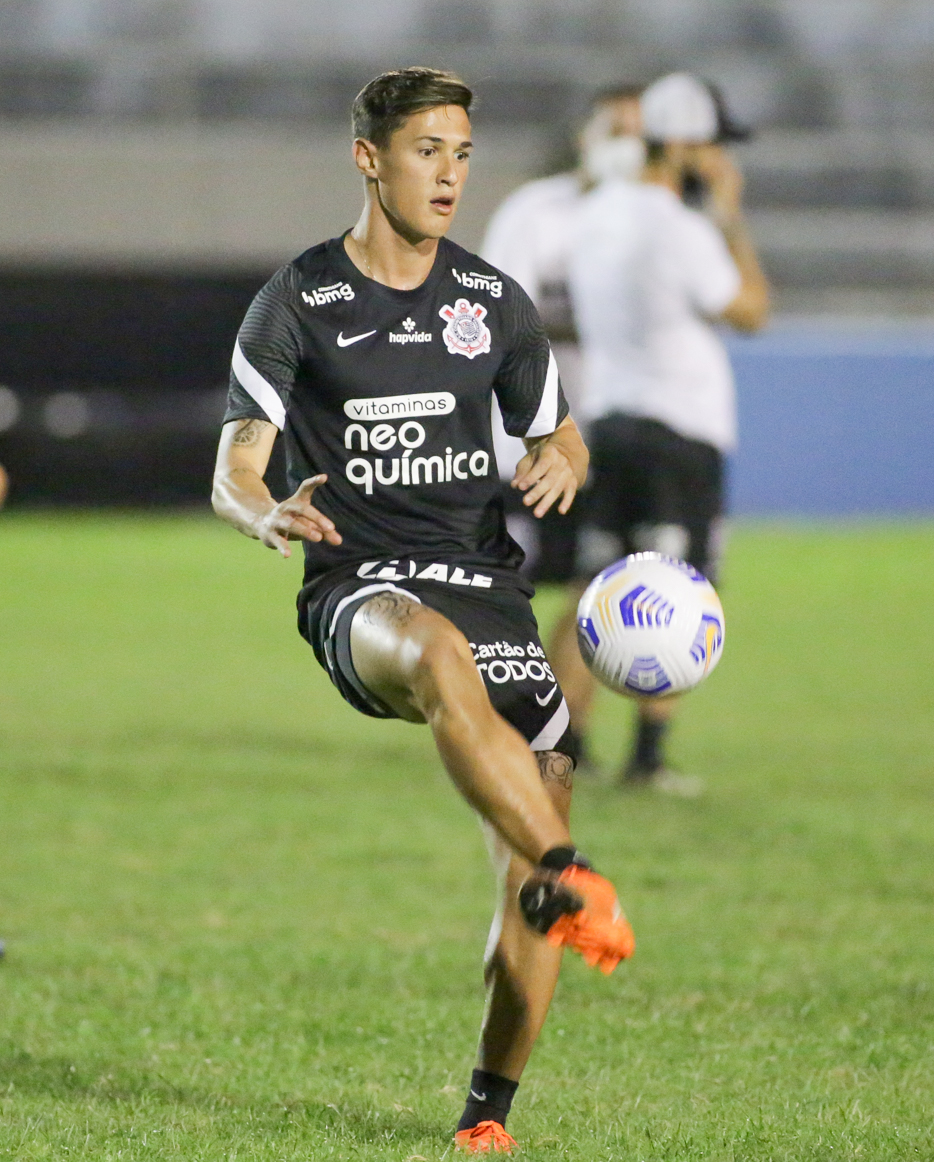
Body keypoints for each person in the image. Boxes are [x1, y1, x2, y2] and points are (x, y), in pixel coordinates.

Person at [209, 68, 634, 1156]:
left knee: (533, 823)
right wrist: (266, 520)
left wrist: (559, 460)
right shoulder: (299, 299)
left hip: (485, 581)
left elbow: (564, 433)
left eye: (461, 154)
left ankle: (486, 1118)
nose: (448, 174)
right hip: (360, 585)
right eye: (426, 151)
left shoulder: (489, 302)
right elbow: (236, 470)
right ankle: (573, 878)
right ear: (369, 158)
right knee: (440, 661)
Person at [554, 72, 770, 792]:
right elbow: (749, 309)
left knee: (593, 585)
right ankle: (648, 758)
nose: (720, 162)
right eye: (712, 146)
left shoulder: (595, 213)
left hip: (610, 419)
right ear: (682, 143)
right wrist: (731, 216)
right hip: (679, 429)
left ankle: (564, 745)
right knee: (678, 592)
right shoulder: (680, 227)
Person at [479, 85, 643, 600]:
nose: (626, 147)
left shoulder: (655, 223)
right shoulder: (535, 212)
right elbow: (498, 318)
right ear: (585, 136)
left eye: (639, 135)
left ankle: (564, 688)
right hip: (523, 448)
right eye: (614, 131)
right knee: (497, 597)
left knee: (601, 603)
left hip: (612, 445)